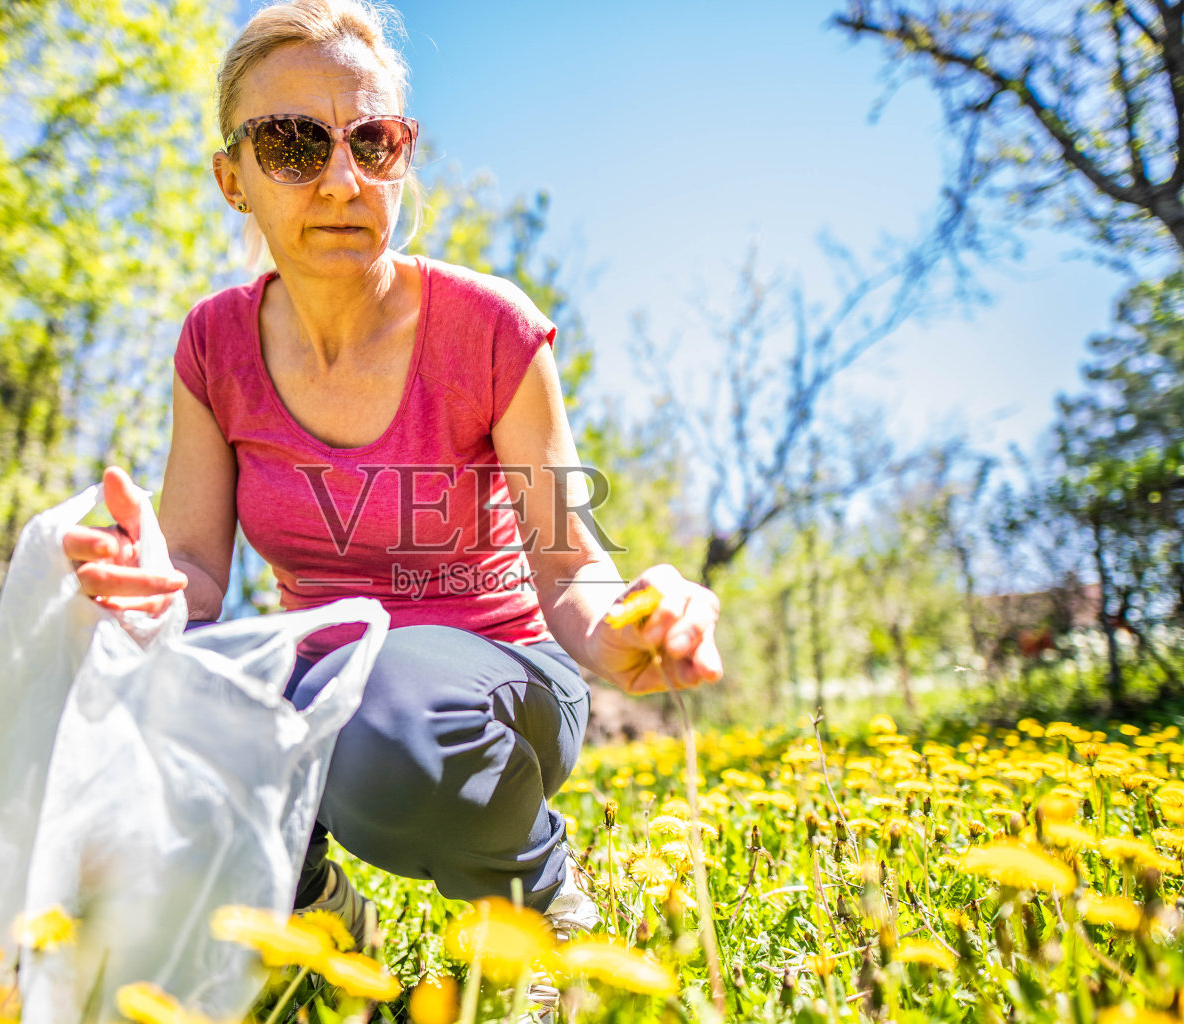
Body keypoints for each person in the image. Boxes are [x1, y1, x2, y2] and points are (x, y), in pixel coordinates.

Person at [62, 0, 723, 957]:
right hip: (322, 678)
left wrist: (631, 623)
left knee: (379, 711)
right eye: (292, 143)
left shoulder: (492, 328)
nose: (341, 178)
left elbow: (569, 565)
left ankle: (543, 902)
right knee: (154, 691)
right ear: (232, 178)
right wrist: (142, 596)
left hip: (495, 687)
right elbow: (198, 575)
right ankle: (309, 901)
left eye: (372, 141)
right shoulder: (213, 344)